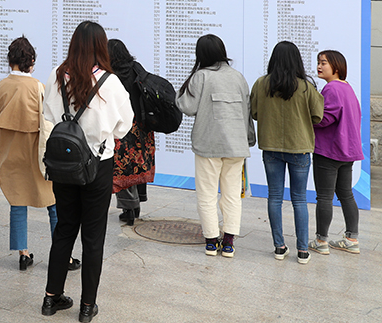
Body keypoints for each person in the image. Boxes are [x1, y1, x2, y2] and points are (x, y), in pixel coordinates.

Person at [41, 21, 132, 323]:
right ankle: (87, 306)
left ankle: (51, 297)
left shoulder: (57, 75)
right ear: (100, 46)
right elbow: (124, 125)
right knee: (93, 237)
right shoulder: (109, 82)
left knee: (64, 228)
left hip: (63, 164)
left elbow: (49, 115)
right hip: (97, 164)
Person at [175, 34, 255, 257]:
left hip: (208, 145)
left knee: (207, 194)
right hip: (236, 146)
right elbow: (247, 112)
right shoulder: (238, 77)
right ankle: (228, 242)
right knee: (231, 195)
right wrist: (249, 139)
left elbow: (188, 107)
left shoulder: (200, 76)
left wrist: (179, 93)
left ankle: (211, 241)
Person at [250, 41, 324, 264]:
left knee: (274, 197)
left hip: (271, 147)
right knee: (299, 199)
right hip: (299, 147)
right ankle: (302, 251)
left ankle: (279, 247)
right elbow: (318, 116)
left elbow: (254, 113)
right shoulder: (305, 86)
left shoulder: (261, 84)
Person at [0, 37, 60, 271]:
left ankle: (23, 254)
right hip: (36, 150)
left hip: (11, 149)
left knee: (17, 199)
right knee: (53, 200)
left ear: (10, 60)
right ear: (31, 61)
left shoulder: (1, 86)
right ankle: (61, 253)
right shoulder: (37, 87)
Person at [309, 50, 364, 255]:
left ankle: (321, 241)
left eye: (324, 63)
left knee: (324, 197)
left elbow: (325, 119)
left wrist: (306, 119)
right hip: (347, 151)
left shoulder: (331, 88)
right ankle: (351, 239)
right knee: (346, 194)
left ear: (337, 67)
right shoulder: (347, 87)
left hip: (329, 150)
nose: (319, 66)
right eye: (319, 62)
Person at [107, 39, 156, 226]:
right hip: (142, 128)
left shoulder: (112, 75)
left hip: (123, 128)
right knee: (139, 165)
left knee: (123, 169)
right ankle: (137, 204)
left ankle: (129, 210)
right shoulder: (136, 68)